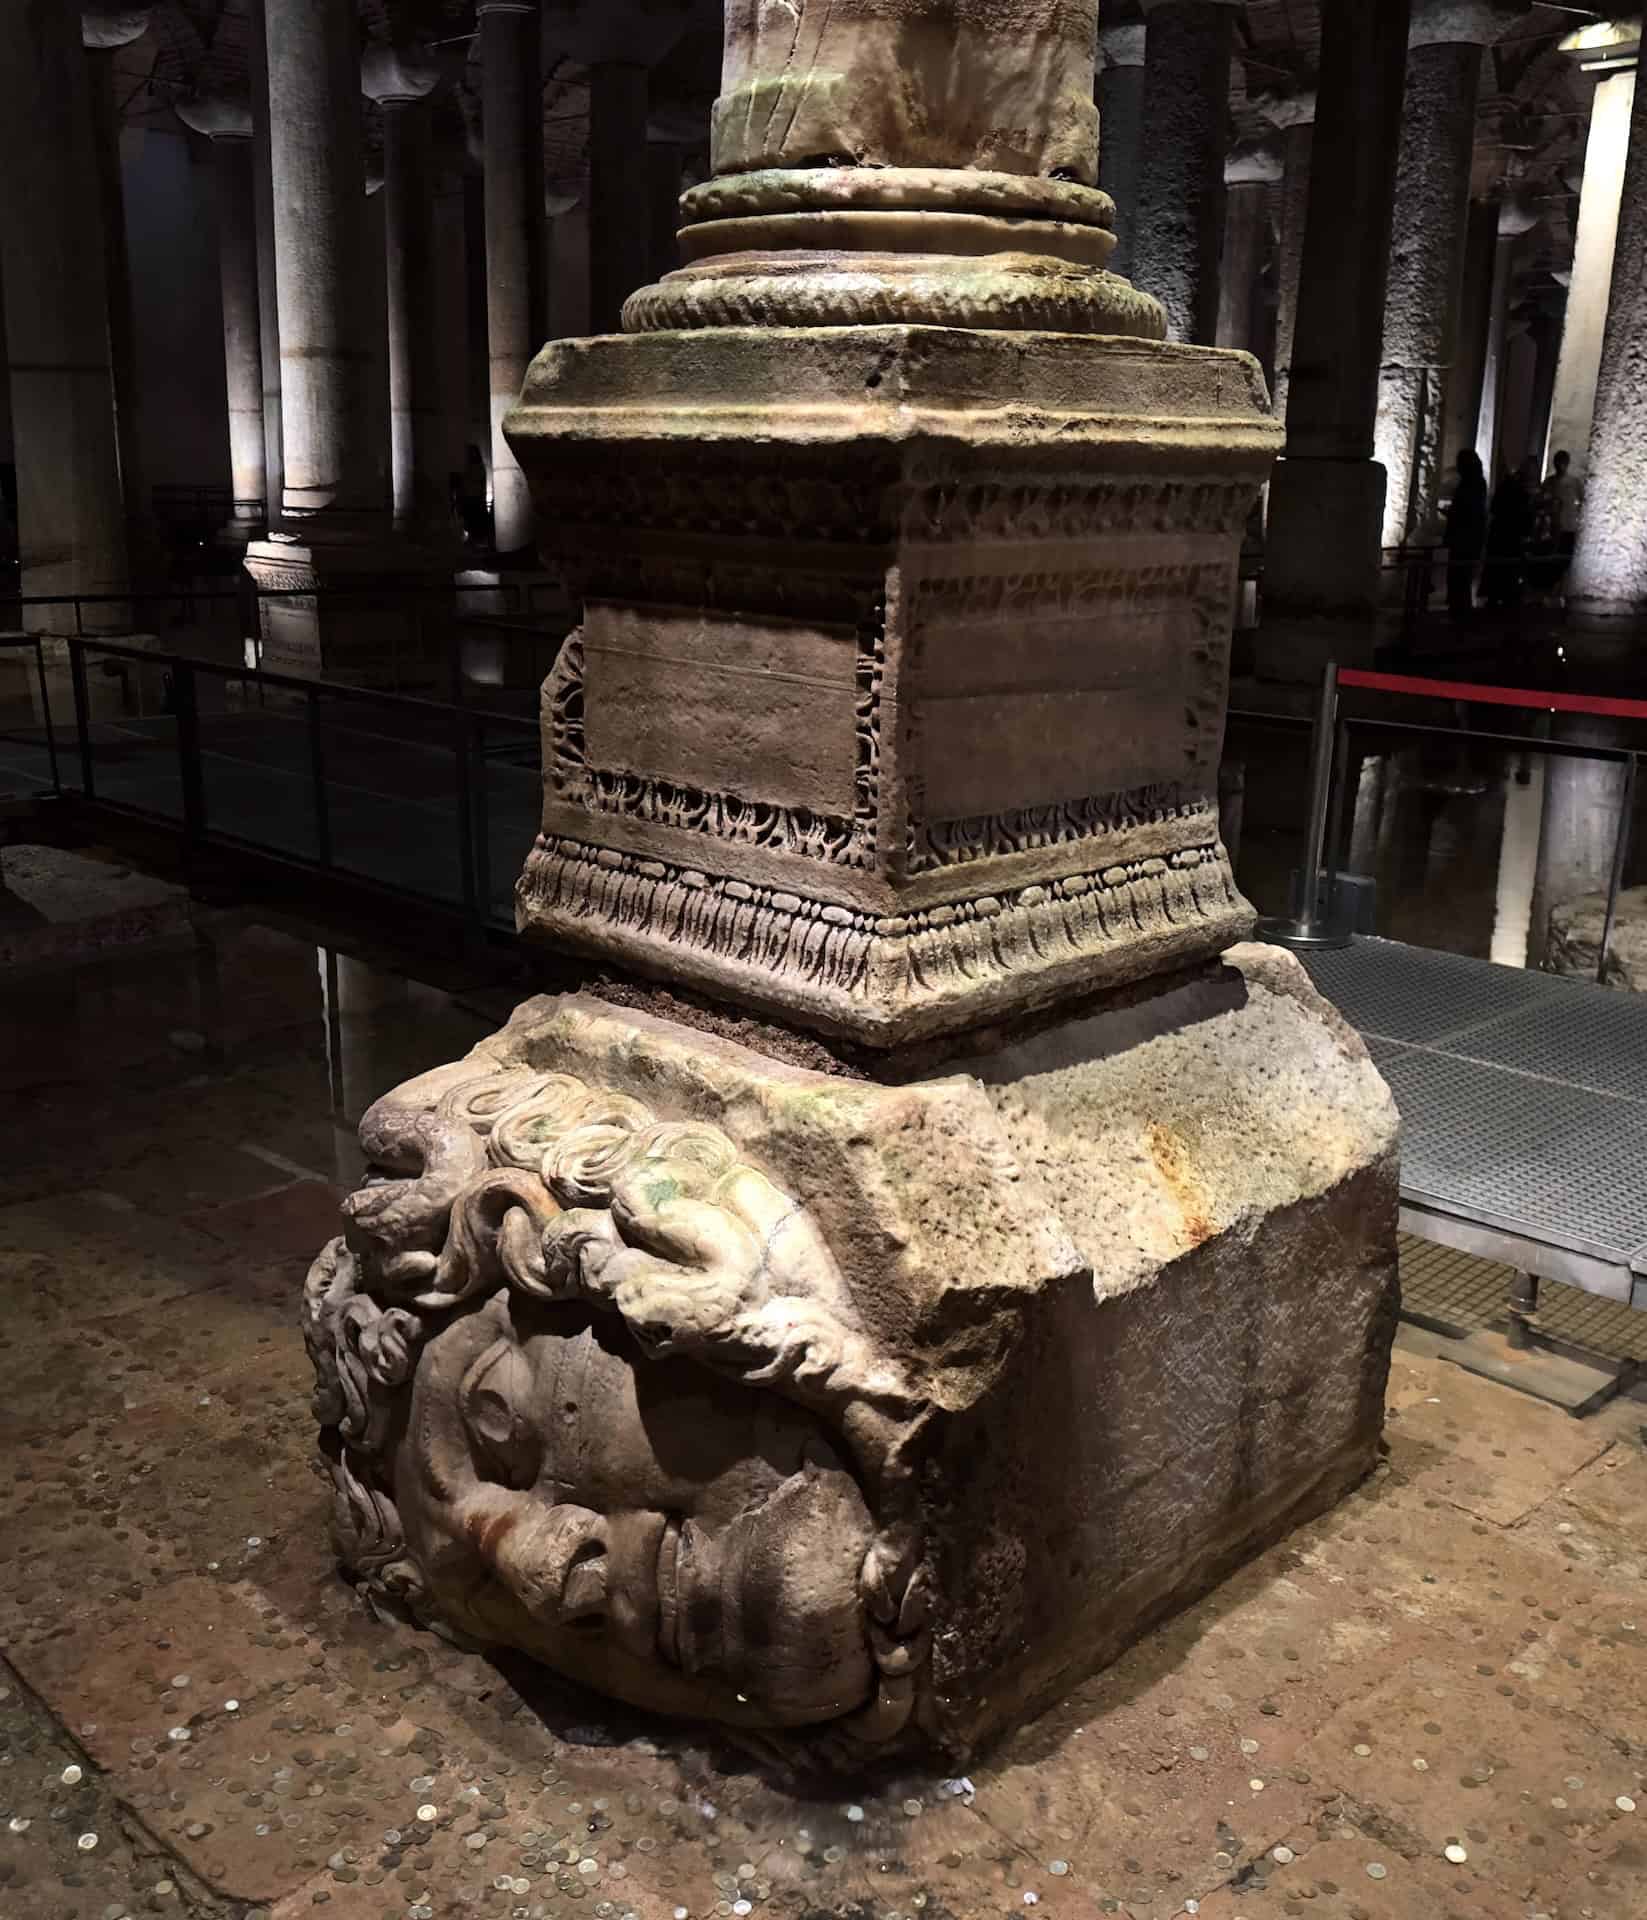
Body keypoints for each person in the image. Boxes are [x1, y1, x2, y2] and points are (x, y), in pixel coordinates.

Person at [1482, 458, 1536, 610]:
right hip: (1510, 536)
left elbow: (1495, 508)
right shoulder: (1520, 490)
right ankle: (1506, 600)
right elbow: (1525, 515)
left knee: (1500, 571)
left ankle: (1497, 599)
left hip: (1502, 534)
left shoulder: (1508, 486)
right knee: (1508, 571)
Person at [1443, 449, 1488, 618]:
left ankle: (1460, 614)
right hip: (1470, 538)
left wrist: (1453, 515)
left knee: (1460, 578)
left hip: (1464, 538)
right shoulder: (1476, 482)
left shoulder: (1470, 484)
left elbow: (1467, 512)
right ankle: (1460, 612)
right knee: (1462, 578)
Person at [1545, 448, 1582, 566]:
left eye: (1563, 462)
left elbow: (1582, 500)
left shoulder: (1574, 483)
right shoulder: (1549, 482)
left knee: (1565, 559)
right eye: (1558, 462)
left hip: (1569, 526)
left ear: (1567, 463)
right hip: (1554, 527)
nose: (1560, 465)